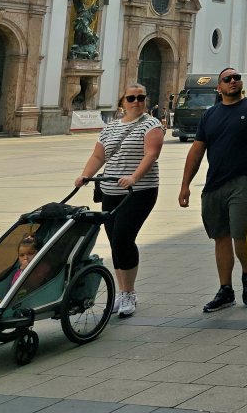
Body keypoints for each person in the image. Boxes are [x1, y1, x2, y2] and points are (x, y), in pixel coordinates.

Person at [178, 67, 247, 313]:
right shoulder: (209, 115)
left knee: (239, 233)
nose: (233, 81)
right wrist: (185, 185)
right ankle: (226, 290)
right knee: (220, 236)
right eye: (227, 79)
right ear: (219, 87)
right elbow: (197, 151)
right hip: (214, 184)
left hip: (244, 180)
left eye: (236, 78)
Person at [74, 83, 162, 318]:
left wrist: (134, 177)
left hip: (139, 191)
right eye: (131, 98)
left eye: (141, 98)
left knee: (124, 236)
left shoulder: (151, 124)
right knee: (115, 241)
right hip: (110, 190)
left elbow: (151, 154)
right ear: (122, 102)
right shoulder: (111, 127)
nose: (136, 102)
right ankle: (121, 291)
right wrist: (85, 175)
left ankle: (129, 293)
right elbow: (98, 155)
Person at [0, 235, 39, 315]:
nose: (26, 258)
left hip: (28, 301)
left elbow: (33, 284)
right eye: (22, 255)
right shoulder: (18, 271)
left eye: (30, 253)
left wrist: (25, 271)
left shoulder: (39, 269)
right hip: (15, 302)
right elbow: (14, 287)